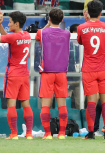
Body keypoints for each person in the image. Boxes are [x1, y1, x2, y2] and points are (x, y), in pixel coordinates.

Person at [0, 10, 33, 140]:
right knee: (26, 105)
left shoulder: (13, 37)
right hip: (24, 75)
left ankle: (14, 134)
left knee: (11, 105)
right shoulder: (26, 35)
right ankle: (29, 134)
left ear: (16, 23)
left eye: (10, 22)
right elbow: (8, 38)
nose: (8, 24)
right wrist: (1, 24)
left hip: (13, 74)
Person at [78, 0, 105, 139]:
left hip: (89, 69)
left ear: (88, 11)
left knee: (91, 102)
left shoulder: (82, 27)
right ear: (101, 12)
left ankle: (91, 132)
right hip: (104, 68)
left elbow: (81, 41)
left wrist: (86, 21)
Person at [35, 8, 70, 139]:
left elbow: (39, 35)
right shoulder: (66, 34)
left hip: (47, 72)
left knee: (45, 105)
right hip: (61, 72)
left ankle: (48, 133)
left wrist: (48, 25)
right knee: (62, 105)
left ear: (49, 19)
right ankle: (61, 134)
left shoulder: (42, 32)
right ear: (62, 20)